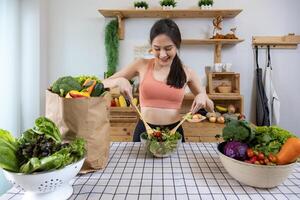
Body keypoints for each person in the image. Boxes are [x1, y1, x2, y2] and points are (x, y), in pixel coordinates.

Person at [102, 18, 214, 142]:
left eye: (168, 48)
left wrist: (203, 96)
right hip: (144, 131)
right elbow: (103, 83)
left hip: (174, 132)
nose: (162, 54)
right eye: (157, 48)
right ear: (151, 46)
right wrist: (118, 81)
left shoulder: (187, 72)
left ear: (177, 45)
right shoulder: (141, 64)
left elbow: (210, 108)